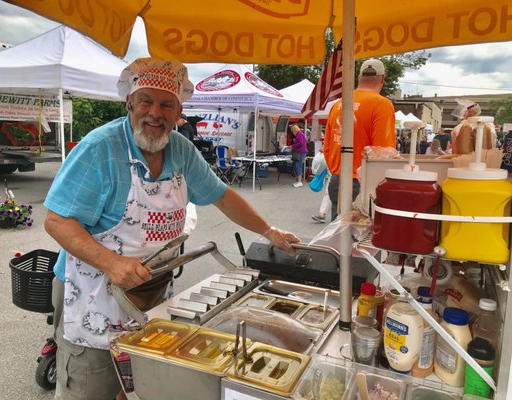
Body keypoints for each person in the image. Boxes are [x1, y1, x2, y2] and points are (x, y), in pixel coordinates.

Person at [43, 58, 300, 400]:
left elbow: (223, 196)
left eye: (166, 104)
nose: (155, 112)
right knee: (92, 388)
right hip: (92, 292)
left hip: (149, 290)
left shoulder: (180, 150)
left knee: (134, 381)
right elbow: (57, 220)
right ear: (129, 102)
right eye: (145, 100)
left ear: (179, 110)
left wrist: (269, 231)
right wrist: (112, 264)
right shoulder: (100, 148)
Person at [324, 58, 396, 221]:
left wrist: (339, 170)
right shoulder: (382, 105)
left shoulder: (339, 104)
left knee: (338, 237)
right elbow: (384, 153)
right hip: (363, 184)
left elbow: (327, 147)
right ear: (382, 79)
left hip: (337, 180)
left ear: (359, 78)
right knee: (360, 240)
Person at [311, 147, 331, 223]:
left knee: (329, 193)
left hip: (339, 169)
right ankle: (322, 214)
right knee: (328, 192)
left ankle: (323, 214)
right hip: (334, 170)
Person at [289, 123, 308, 187]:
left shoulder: (299, 134)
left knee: (298, 165)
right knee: (297, 165)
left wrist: (292, 146)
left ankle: (299, 181)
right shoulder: (300, 134)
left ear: (294, 130)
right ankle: (298, 180)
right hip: (302, 151)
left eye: (292, 131)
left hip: (300, 152)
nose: (292, 133)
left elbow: (301, 143)